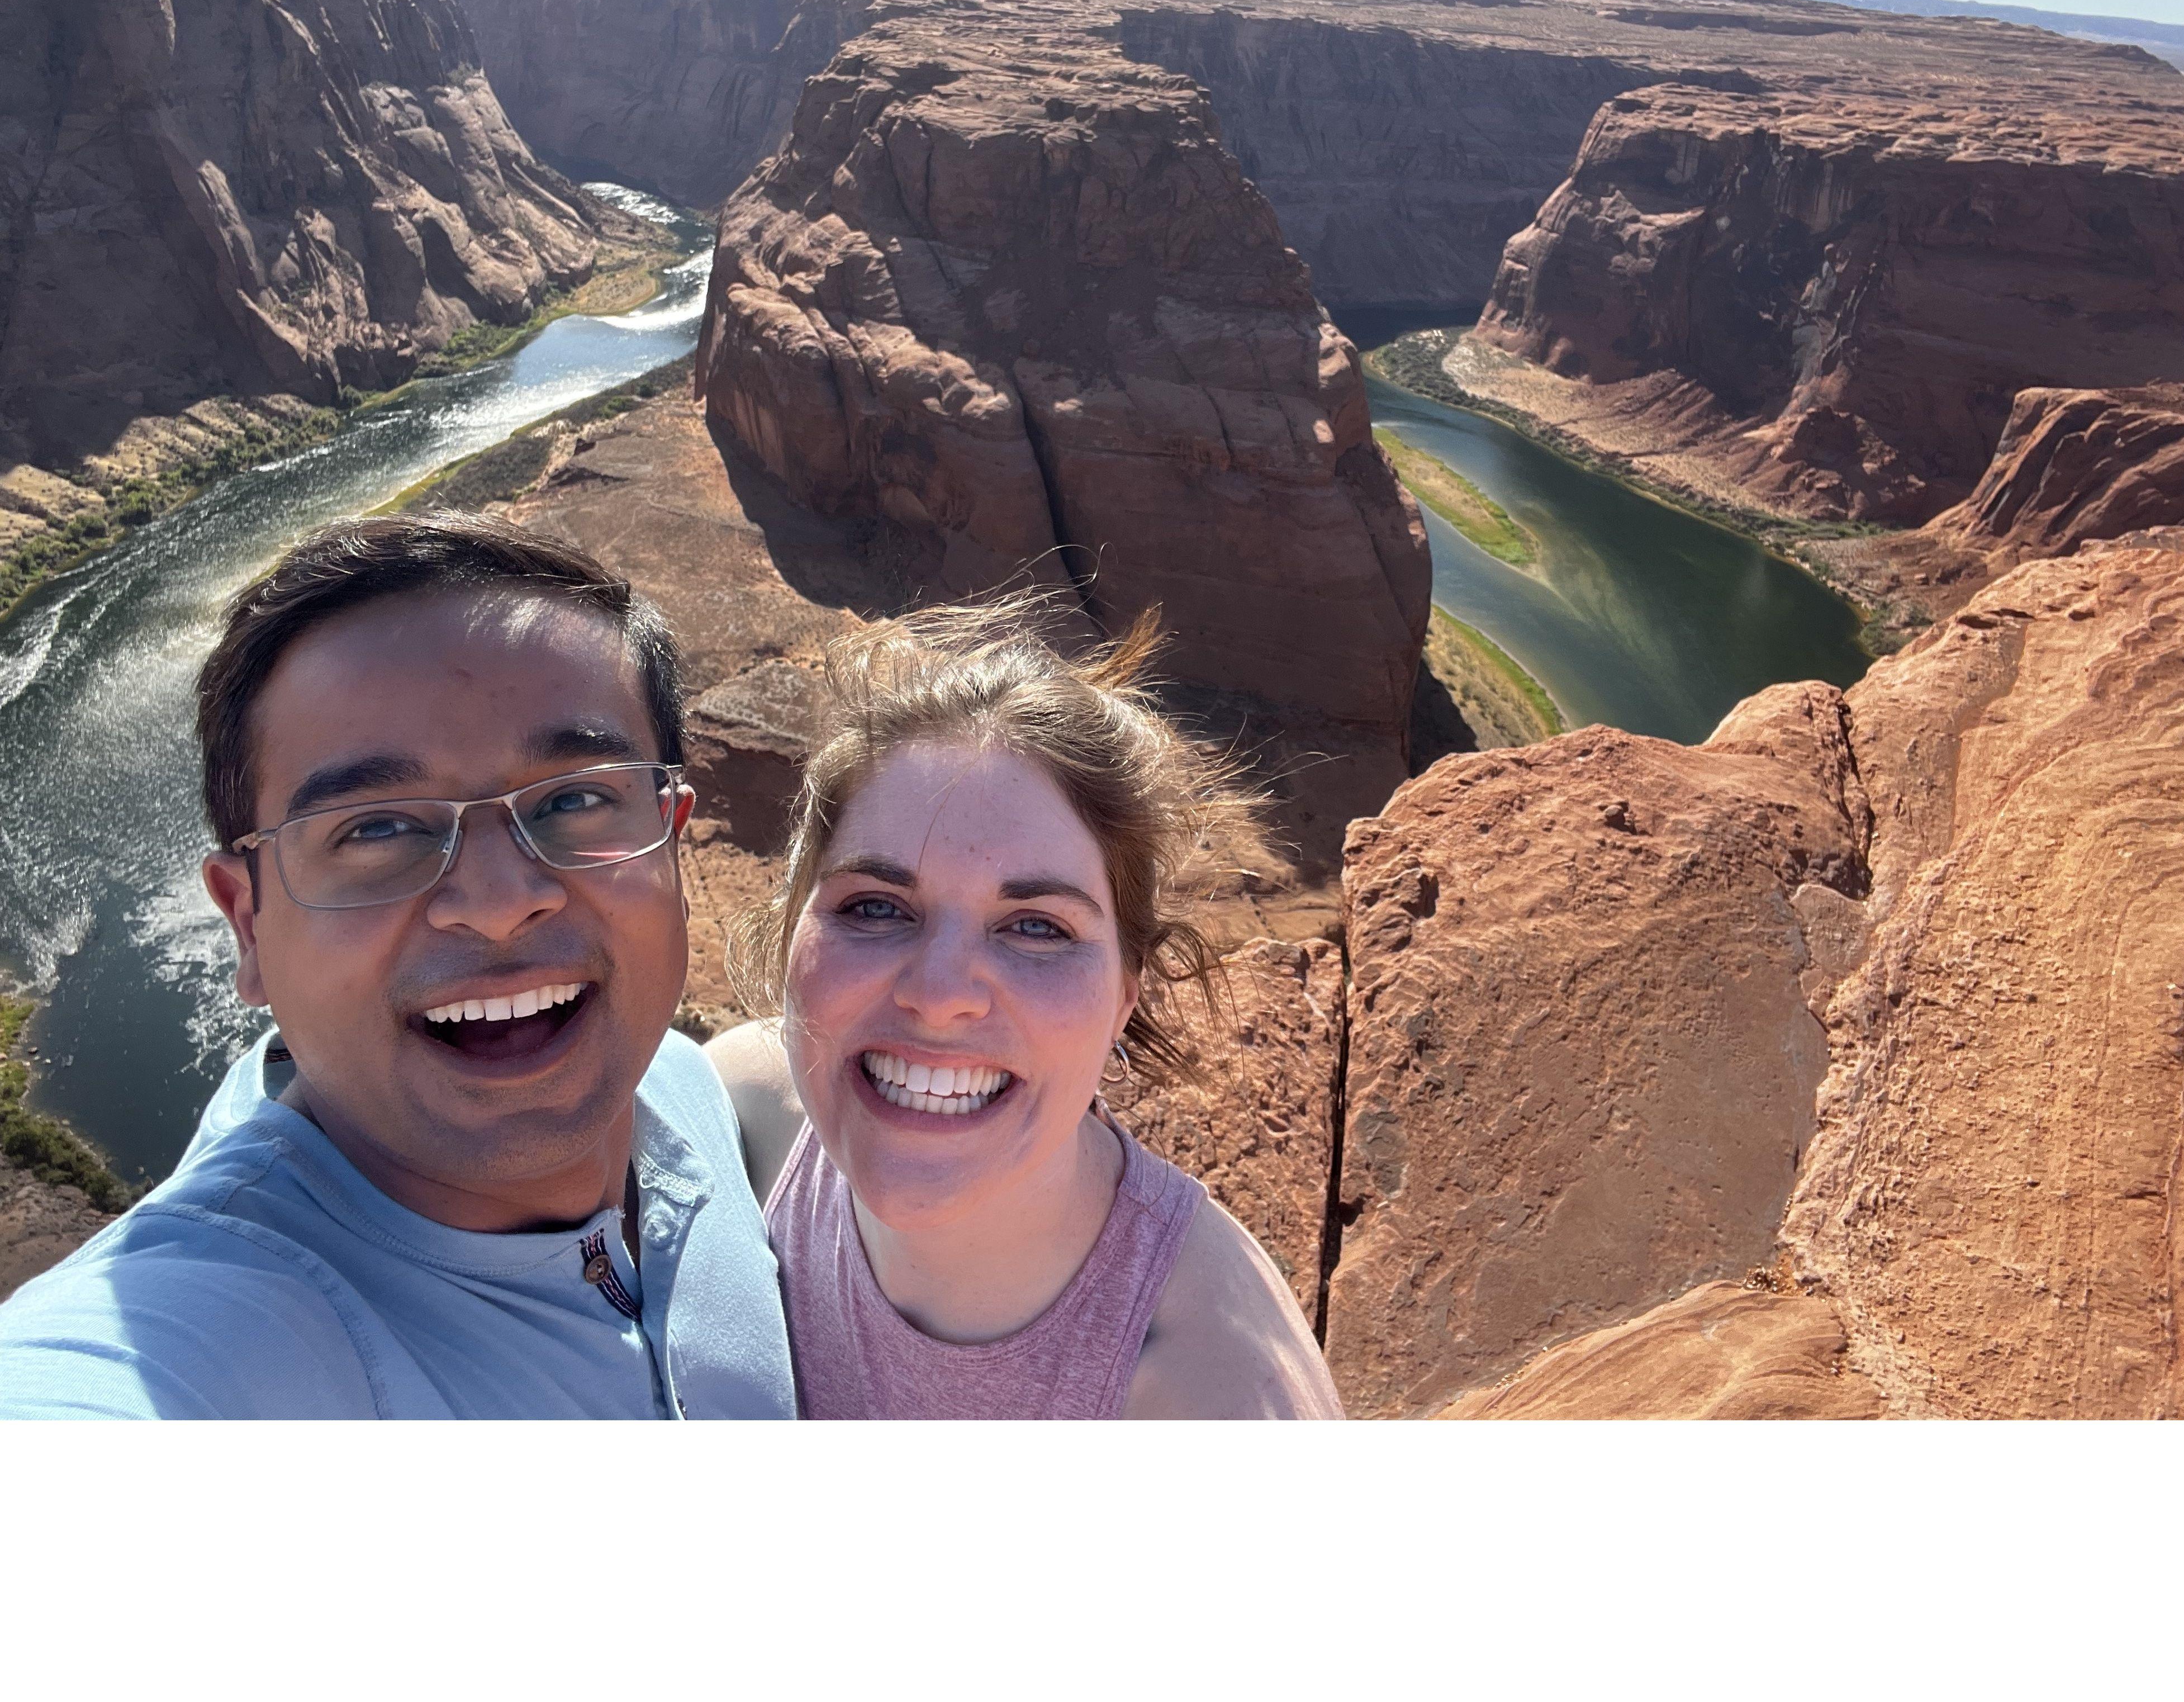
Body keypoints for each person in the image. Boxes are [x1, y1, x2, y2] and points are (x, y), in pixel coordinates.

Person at [0, 516, 794, 1420]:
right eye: (376, 827)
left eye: (576, 798)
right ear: (248, 925)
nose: (498, 901)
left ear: (672, 849)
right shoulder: (202, 1342)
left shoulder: (676, 1083)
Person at [707, 598, 1345, 1419]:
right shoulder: (740, 1120)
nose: (939, 996)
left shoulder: (1216, 1395)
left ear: (1126, 993)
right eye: (874, 907)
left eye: (1037, 928)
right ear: (793, 926)